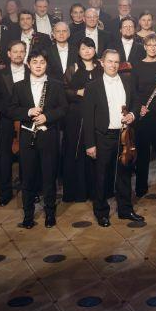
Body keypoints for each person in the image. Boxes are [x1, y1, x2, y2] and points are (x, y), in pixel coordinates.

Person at [82, 47, 144, 227]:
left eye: (116, 62)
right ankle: (101, 212)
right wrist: (90, 144)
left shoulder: (127, 80)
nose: (113, 65)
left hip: (125, 135)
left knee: (124, 174)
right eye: (109, 61)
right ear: (102, 63)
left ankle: (125, 209)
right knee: (101, 176)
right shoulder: (92, 86)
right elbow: (88, 118)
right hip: (103, 136)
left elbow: (136, 101)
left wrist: (132, 114)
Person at [7, 52, 64, 229]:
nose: (38, 65)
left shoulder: (56, 85)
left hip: (48, 136)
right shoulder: (19, 86)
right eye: (34, 62)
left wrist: (47, 116)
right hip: (27, 137)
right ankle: (28, 216)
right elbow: (11, 110)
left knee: (49, 177)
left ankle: (50, 214)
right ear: (28, 64)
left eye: (42, 62)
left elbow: (63, 108)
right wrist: (28, 112)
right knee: (28, 178)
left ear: (46, 64)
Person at [61, 38, 100, 203]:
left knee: (95, 150)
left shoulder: (101, 67)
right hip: (76, 116)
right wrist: (78, 92)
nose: (87, 51)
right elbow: (63, 90)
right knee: (75, 151)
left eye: (90, 48)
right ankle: (77, 192)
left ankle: (95, 191)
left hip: (97, 114)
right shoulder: (73, 68)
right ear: (78, 51)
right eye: (83, 48)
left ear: (94, 50)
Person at [0, 39, 29, 206]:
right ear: (8, 54)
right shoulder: (0, 74)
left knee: (27, 158)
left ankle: (29, 191)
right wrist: (11, 113)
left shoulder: (32, 71)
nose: (19, 54)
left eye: (21, 51)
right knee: (5, 158)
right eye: (15, 51)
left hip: (27, 120)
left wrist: (23, 113)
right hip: (7, 121)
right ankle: (5, 193)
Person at [130, 33, 156, 196]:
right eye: (150, 45)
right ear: (144, 47)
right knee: (142, 153)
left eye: (155, 45)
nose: (152, 48)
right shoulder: (137, 65)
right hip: (143, 114)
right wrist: (139, 108)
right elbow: (134, 91)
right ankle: (141, 187)